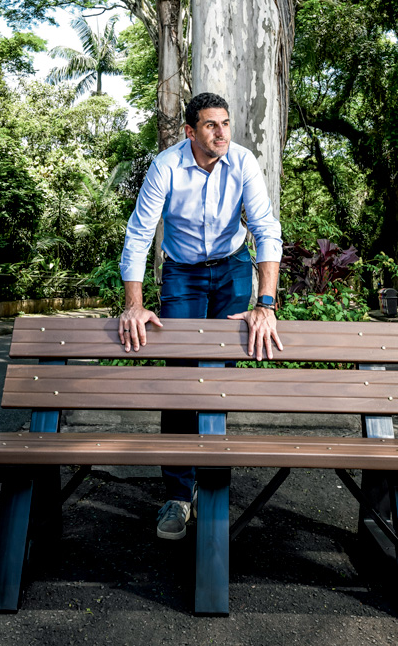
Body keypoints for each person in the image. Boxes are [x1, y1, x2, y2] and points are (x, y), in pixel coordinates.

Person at [118, 92, 283, 540]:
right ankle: (176, 493)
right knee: (180, 379)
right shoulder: (165, 167)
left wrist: (265, 305)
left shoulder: (244, 162)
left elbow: (266, 230)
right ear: (190, 131)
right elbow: (138, 235)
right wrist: (134, 303)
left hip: (232, 269)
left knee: (217, 376)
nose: (221, 133)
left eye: (226, 123)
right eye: (211, 125)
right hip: (183, 273)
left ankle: (210, 484)